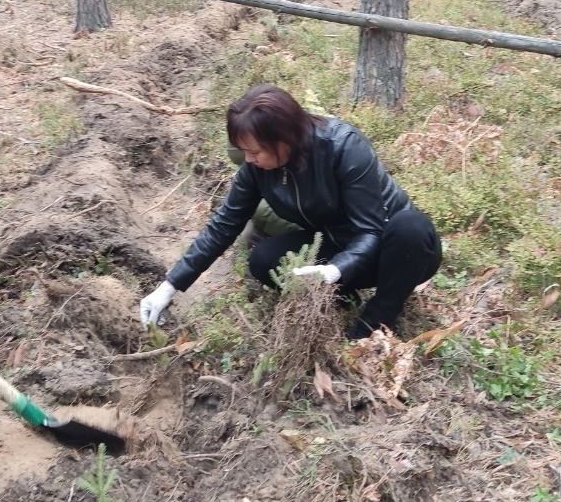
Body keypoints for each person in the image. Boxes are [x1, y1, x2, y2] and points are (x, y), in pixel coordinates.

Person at [139, 85, 443, 340]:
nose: (248, 159)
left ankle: (376, 319)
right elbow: (224, 224)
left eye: (255, 151)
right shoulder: (257, 168)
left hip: (394, 249)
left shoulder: (342, 146)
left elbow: (370, 230)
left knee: (410, 227)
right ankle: (340, 295)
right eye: (243, 151)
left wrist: (335, 270)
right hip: (338, 243)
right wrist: (170, 286)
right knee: (264, 260)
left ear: (284, 138)